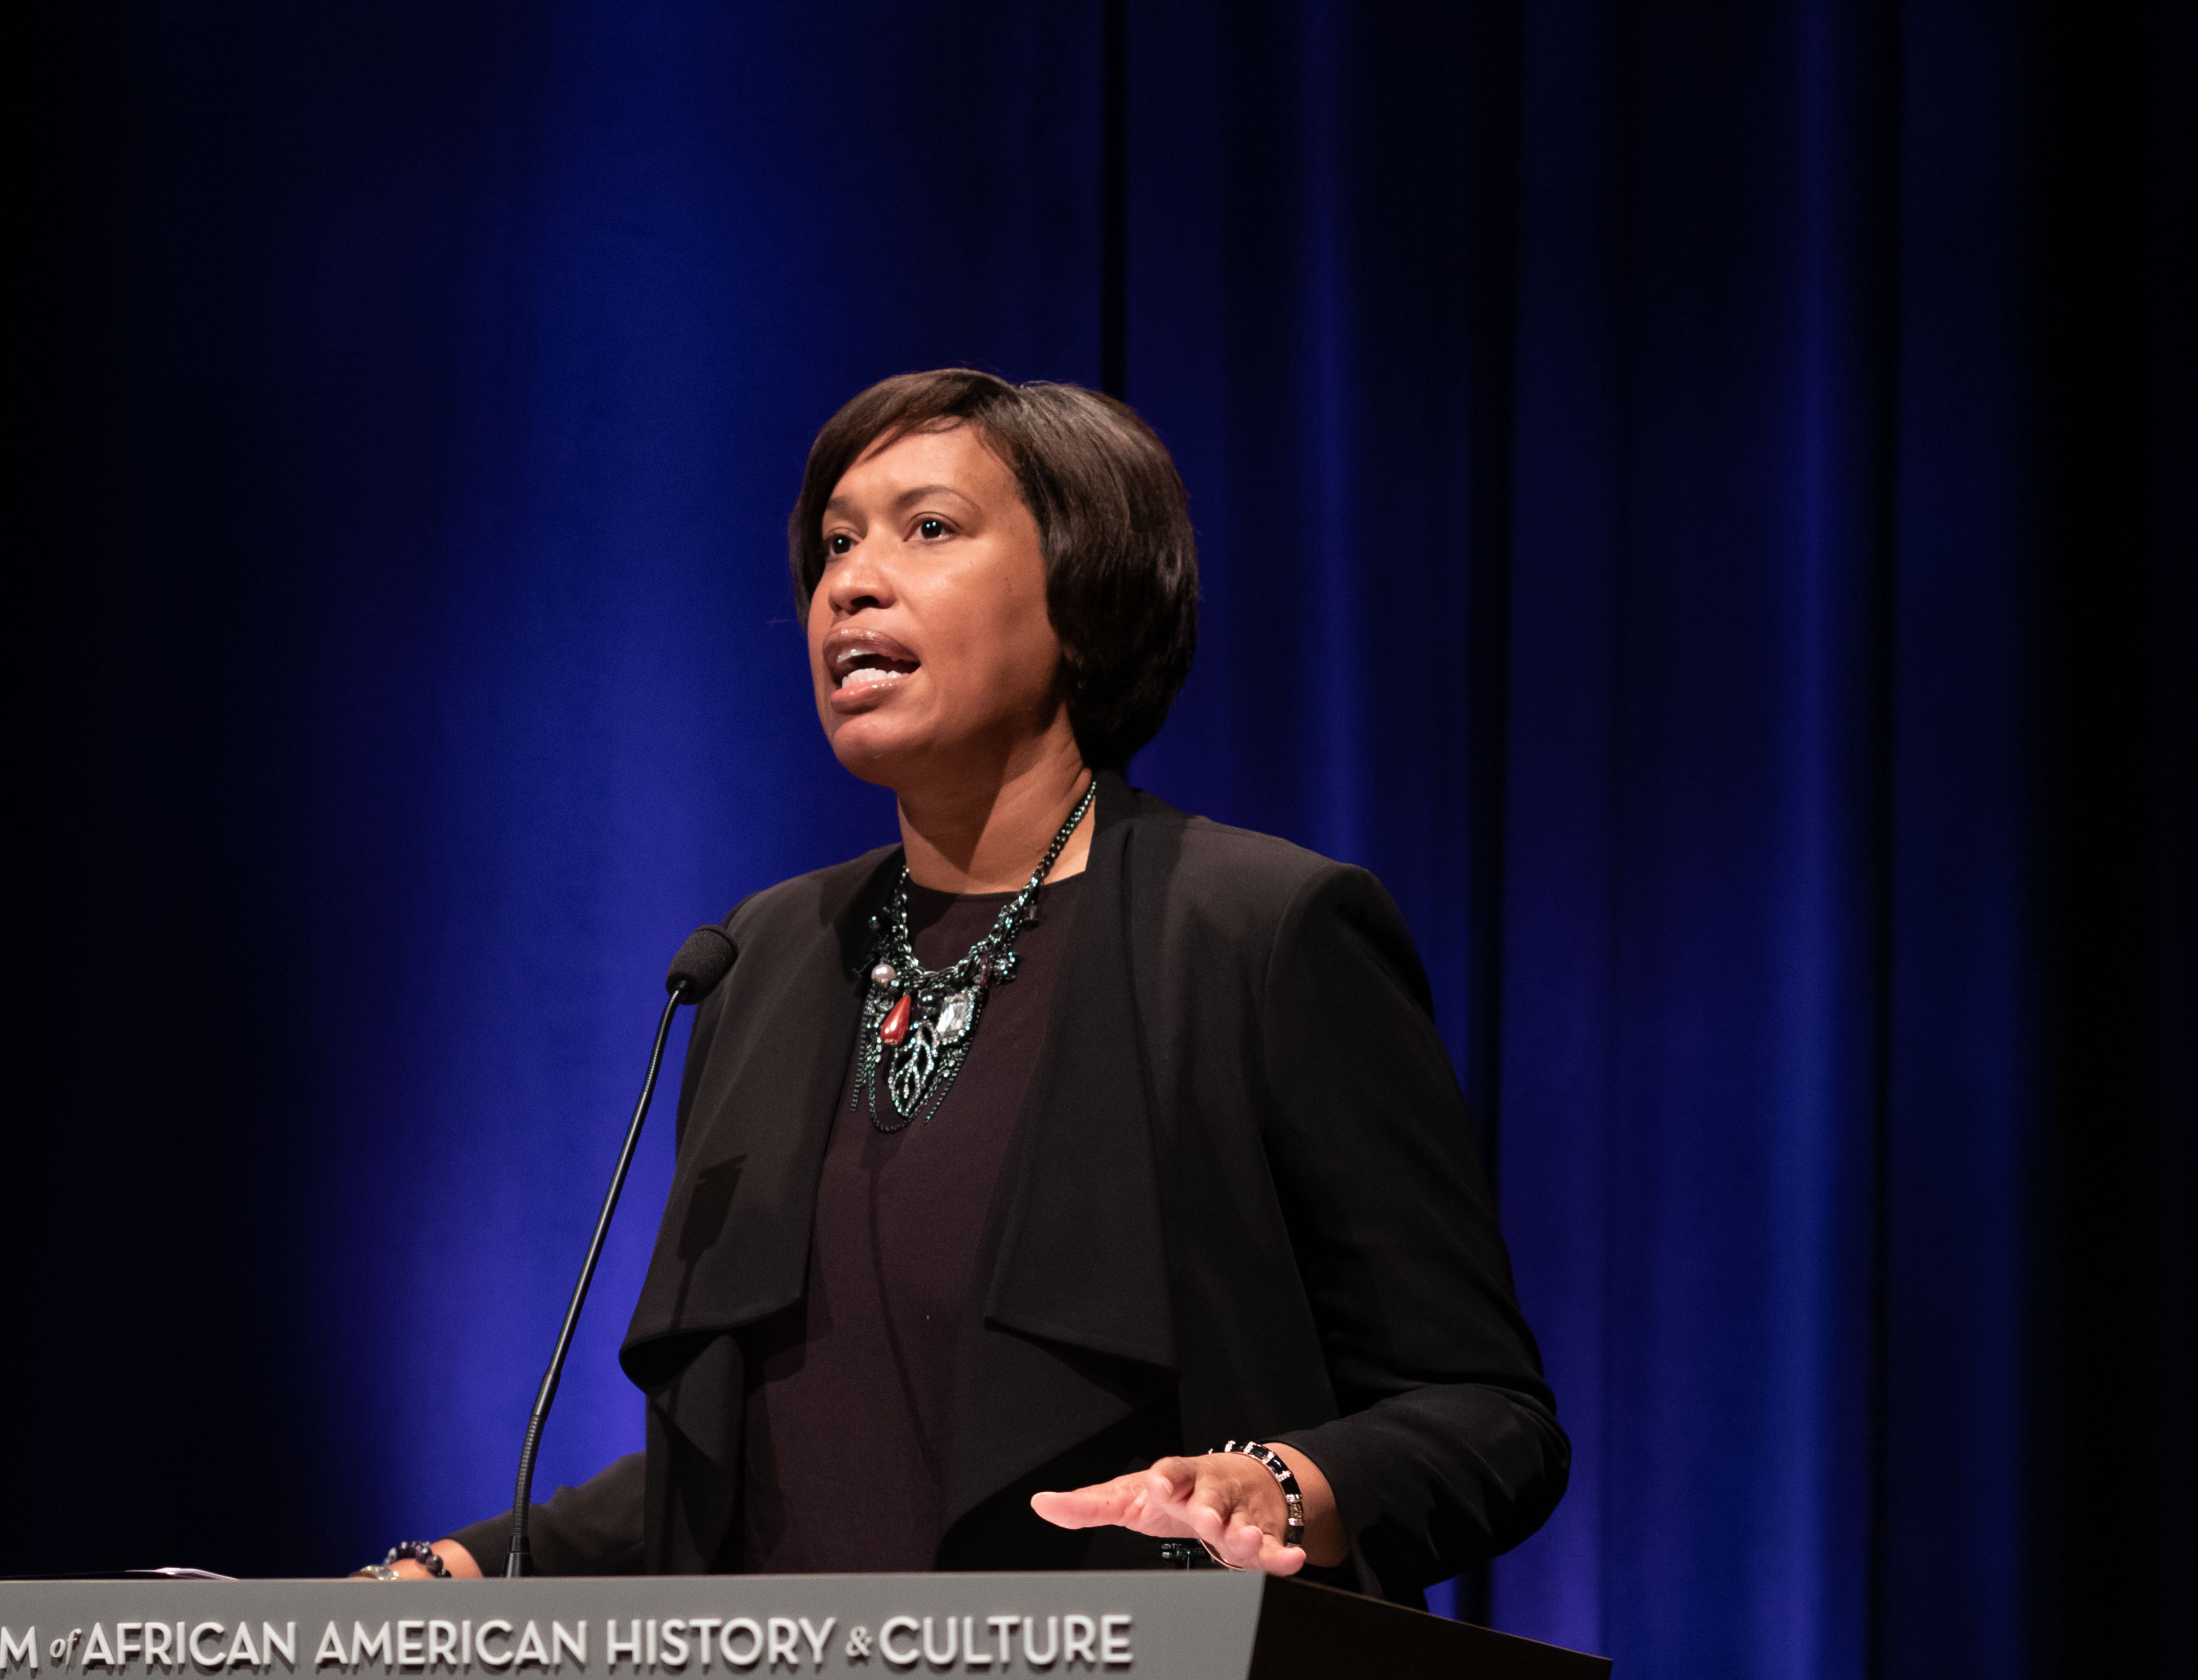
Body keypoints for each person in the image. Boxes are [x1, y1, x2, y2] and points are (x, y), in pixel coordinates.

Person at [364, 366, 1564, 1595]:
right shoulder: (761, 959)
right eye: (836, 543)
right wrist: (461, 1567)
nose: (851, 582)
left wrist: (1283, 1486)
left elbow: (1487, 1418)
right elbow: (758, 1466)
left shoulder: (1258, 937)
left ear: (1084, 601)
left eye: (926, 529)